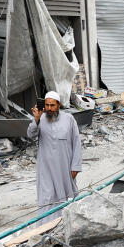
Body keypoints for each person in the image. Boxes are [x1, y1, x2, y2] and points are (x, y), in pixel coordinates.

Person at [27, 90, 83, 220]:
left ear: (58, 105)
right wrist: (35, 120)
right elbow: (30, 135)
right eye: (47, 105)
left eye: (52, 105)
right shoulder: (40, 118)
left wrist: (75, 166)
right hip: (46, 168)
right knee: (47, 197)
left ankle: (68, 223)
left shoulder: (69, 119)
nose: (49, 108)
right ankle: (47, 227)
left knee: (67, 196)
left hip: (65, 168)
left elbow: (77, 143)